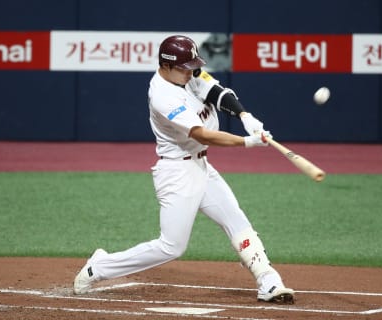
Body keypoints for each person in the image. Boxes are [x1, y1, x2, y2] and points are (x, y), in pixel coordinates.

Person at [73, 35, 294, 304]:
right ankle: (99, 267)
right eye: (186, 68)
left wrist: (245, 117)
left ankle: (268, 280)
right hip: (177, 173)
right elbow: (203, 135)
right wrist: (247, 142)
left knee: (236, 220)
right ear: (166, 66)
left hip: (201, 165)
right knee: (171, 247)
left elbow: (217, 92)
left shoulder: (187, 73)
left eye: (193, 66)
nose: (192, 72)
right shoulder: (162, 96)